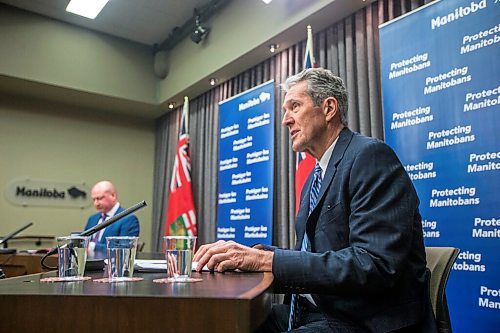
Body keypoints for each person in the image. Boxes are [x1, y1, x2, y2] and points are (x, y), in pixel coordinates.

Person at [193, 68, 436, 332]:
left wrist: (266, 261)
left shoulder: (370, 156)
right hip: (317, 311)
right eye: (285, 110)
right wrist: (252, 255)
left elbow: (373, 264)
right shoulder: (315, 176)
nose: (286, 120)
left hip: (364, 320)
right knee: (227, 323)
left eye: (295, 106)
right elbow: (314, 255)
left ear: (329, 108)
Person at [84, 180, 140, 253]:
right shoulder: (92, 219)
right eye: (93, 199)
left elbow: (124, 250)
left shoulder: (129, 219)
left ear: (113, 196)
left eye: (99, 198)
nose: (96, 203)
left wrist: (93, 247)